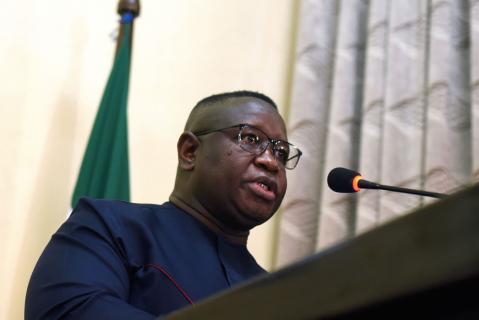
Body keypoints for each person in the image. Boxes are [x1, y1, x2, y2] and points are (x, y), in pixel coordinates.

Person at [25, 91, 302, 319]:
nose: (270, 161)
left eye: (281, 152)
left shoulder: (274, 294)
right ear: (190, 152)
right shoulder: (108, 226)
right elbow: (69, 312)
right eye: (250, 139)